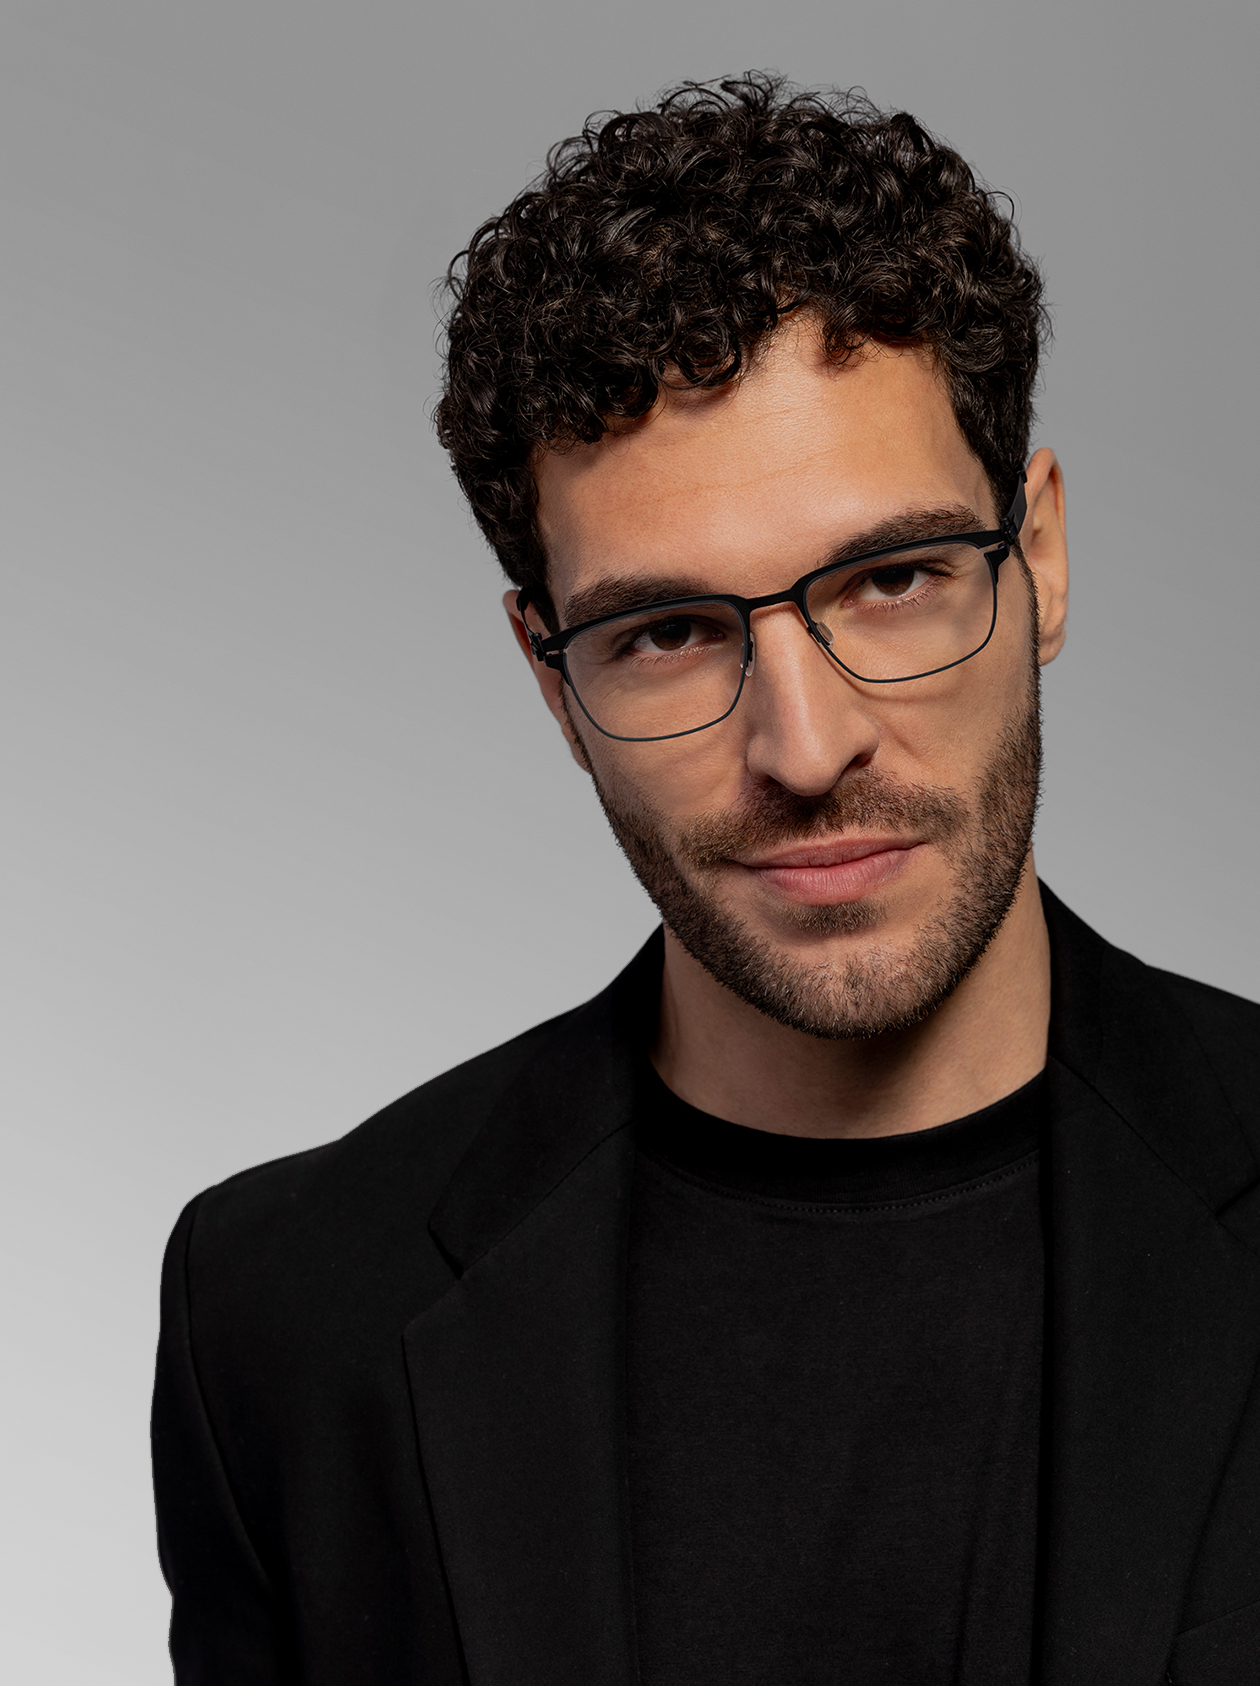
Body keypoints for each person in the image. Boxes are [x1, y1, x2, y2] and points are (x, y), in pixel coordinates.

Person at [151, 75, 1260, 1685]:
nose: (805, 748)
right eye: (669, 630)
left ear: (1044, 555)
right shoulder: (290, 1322)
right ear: (550, 677)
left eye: (890, 580)